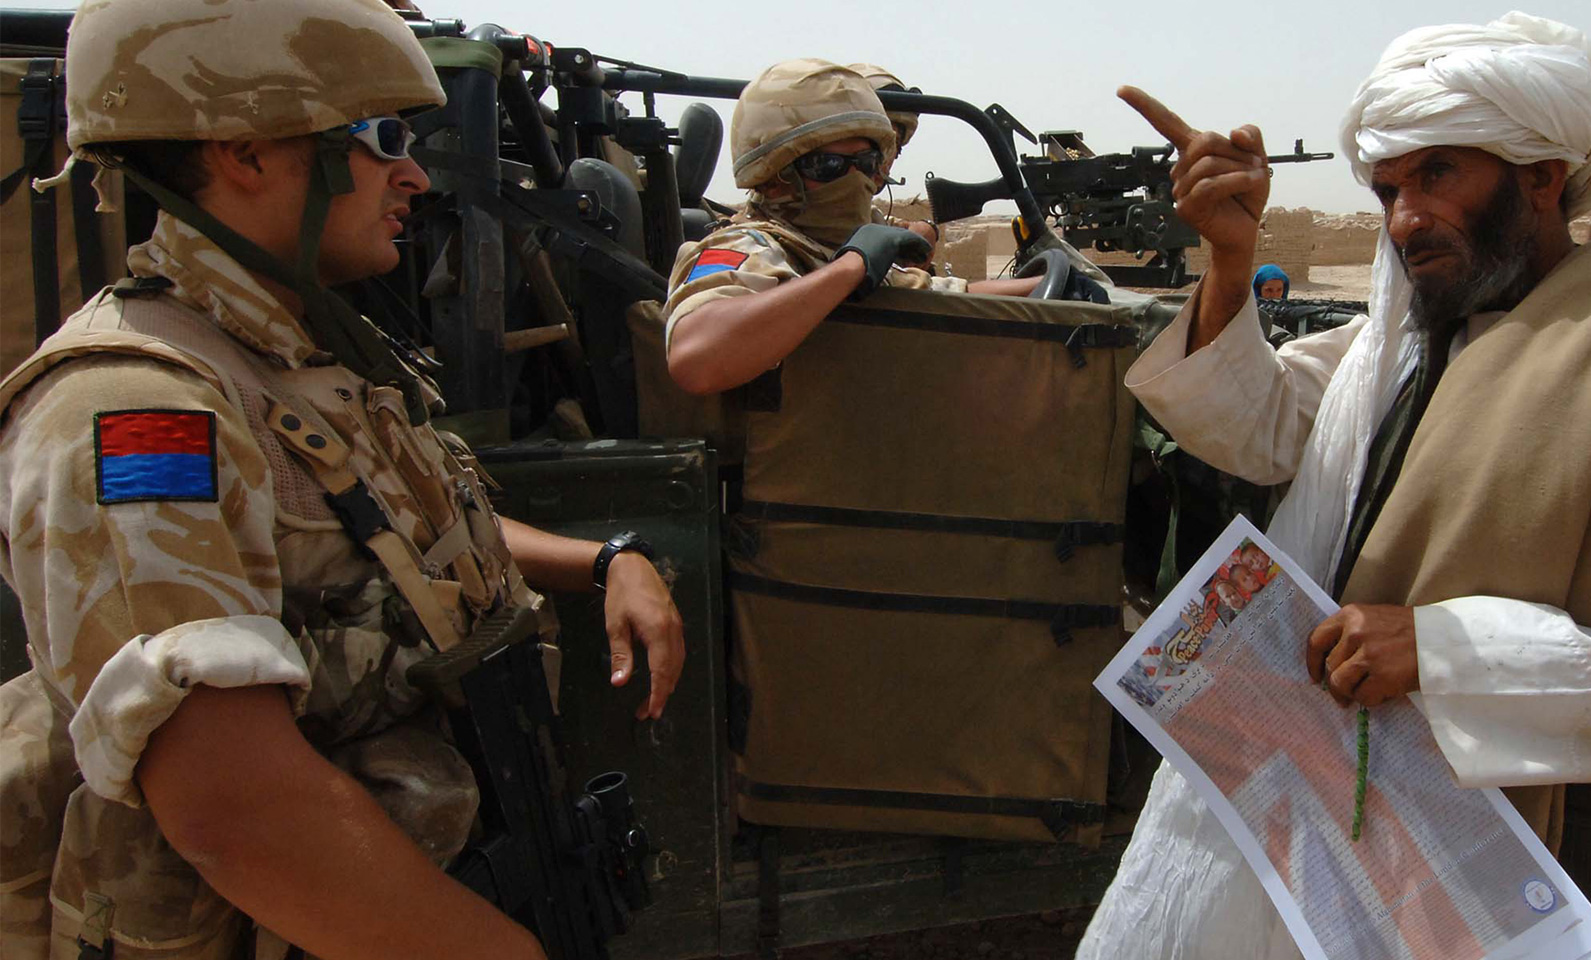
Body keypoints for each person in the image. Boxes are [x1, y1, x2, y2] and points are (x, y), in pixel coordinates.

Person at [1079, 12, 1591, 960]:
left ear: (1542, 175)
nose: (1407, 218)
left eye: (1439, 175)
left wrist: (1447, 653)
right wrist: (1232, 263)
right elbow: (1265, 427)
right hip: (1342, 829)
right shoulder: (1397, 344)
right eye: (1390, 188)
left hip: (1535, 863)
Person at [0, 1, 685, 957]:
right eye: (382, 137)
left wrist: (607, 559)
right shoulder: (139, 408)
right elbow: (237, 811)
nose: (412, 173)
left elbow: (404, 539)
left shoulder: (295, 354)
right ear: (246, 151)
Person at [663, 59, 1043, 396]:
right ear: (773, 177)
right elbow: (696, 359)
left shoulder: (832, 244)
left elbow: (942, 293)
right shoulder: (751, 244)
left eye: (866, 161)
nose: (856, 180)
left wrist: (1045, 287)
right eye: (828, 166)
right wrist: (851, 266)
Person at [848, 62, 941, 255]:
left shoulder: (862, 214)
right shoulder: (805, 221)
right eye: (875, 143)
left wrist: (926, 228)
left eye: (894, 144)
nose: (885, 158)